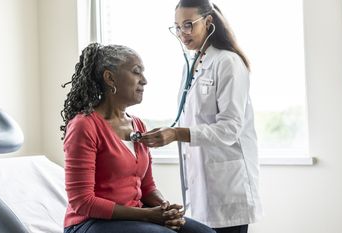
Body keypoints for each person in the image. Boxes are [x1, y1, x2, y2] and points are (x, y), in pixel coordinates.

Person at [60, 42, 216, 233]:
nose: (144, 80)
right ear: (110, 78)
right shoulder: (84, 125)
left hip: (134, 217)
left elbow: (147, 186)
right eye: (136, 72)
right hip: (89, 223)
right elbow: (82, 202)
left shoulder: (138, 125)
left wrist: (164, 208)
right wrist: (148, 215)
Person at [140, 1, 263, 233]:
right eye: (177, 27)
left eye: (188, 25)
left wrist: (176, 134)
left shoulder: (228, 62)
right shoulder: (193, 63)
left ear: (208, 22)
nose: (182, 34)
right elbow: (192, 119)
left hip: (228, 187)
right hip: (201, 186)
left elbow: (230, 128)